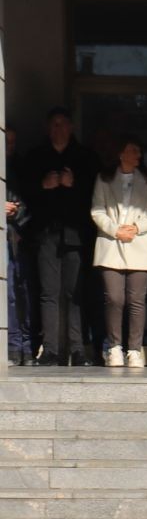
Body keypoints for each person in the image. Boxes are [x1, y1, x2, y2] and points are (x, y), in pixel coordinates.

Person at [21, 106, 97, 366]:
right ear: (47, 128)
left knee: (74, 293)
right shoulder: (36, 156)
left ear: (71, 127)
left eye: (63, 124)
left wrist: (73, 183)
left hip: (75, 233)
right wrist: (44, 185)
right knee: (49, 292)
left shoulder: (85, 157)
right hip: (45, 234)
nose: (59, 129)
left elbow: (94, 194)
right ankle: (50, 349)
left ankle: (77, 349)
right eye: (54, 124)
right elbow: (24, 191)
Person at [89, 137, 147, 371]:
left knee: (137, 301)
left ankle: (133, 349)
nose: (137, 155)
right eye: (132, 150)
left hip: (140, 246)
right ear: (121, 153)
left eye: (139, 151)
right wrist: (114, 229)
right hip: (111, 244)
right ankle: (113, 347)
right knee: (114, 297)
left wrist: (138, 228)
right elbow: (97, 209)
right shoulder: (104, 178)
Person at [6, 132, 32, 366]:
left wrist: (17, 211)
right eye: (6, 141)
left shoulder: (20, 169)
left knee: (17, 292)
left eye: (13, 142)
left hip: (15, 238)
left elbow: (28, 203)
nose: (9, 146)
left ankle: (21, 346)